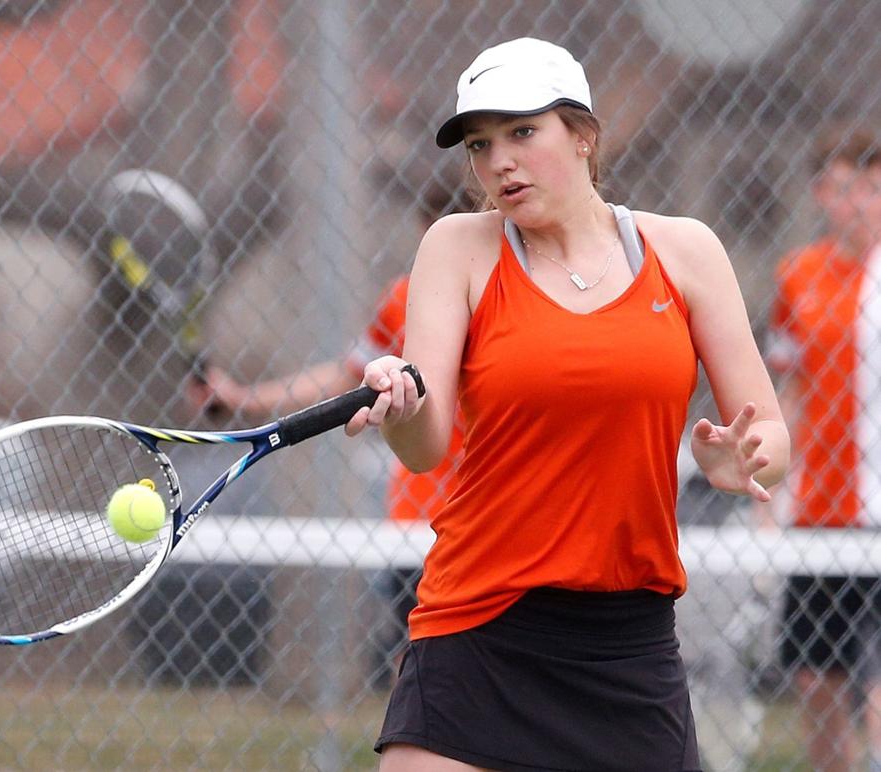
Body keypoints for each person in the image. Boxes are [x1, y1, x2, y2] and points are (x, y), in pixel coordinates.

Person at [343, 37, 790, 771]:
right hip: (476, 621)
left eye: (522, 132)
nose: (499, 162)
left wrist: (742, 458)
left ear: (583, 136)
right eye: (481, 145)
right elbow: (425, 446)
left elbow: (769, 436)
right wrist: (399, 408)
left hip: (625, 642)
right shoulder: (456, 248)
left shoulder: (685, 252)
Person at [187, 216, 466, 688]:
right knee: (427, 675)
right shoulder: (405, 299)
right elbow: (348, 376)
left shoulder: (539, 298)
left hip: (508, 521)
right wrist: (241, 399)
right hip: (420, 527)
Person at [767, 126, 881, 772]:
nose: (857, 202)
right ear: (819, 194)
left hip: (876, 511)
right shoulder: (798, 274)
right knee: (816, 678)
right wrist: (772, 489)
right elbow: (787, 386)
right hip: (818, 511)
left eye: (869, 187)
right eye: (842, 188)